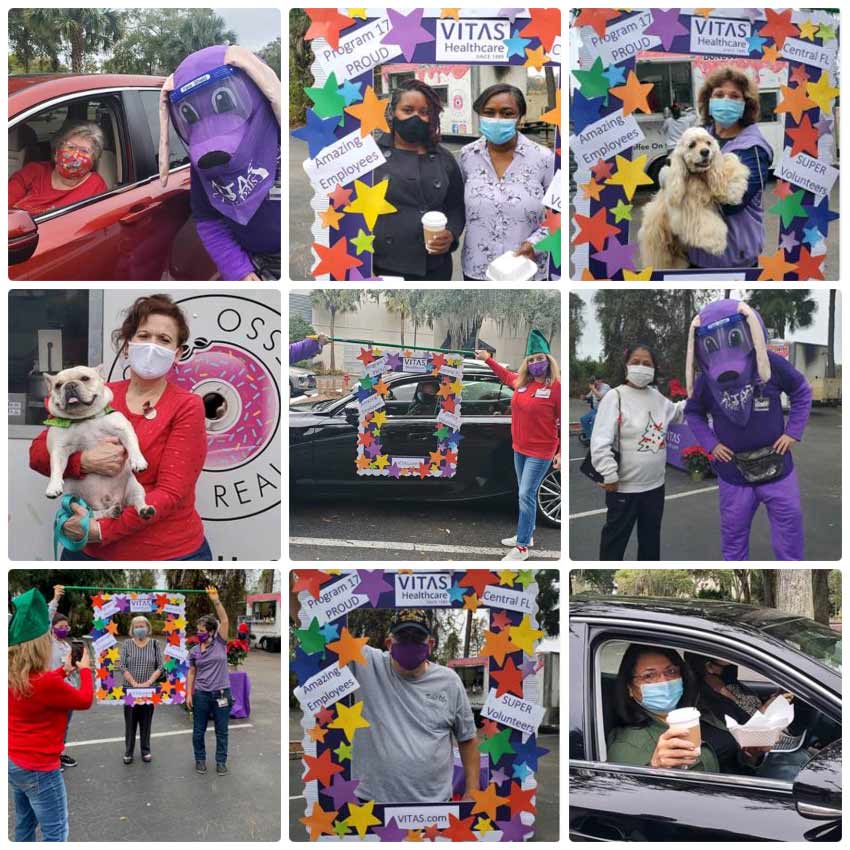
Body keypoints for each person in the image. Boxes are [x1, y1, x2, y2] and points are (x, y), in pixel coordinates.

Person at [29, 294, 211, 560]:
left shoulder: (187, 406)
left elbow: (171, 493)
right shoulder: (96, 396)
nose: (152, 346)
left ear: (178, 352)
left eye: (164, 340)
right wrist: (85, 461)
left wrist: (101, 530)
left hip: (167, 554)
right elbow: (38, 455)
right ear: (127, 346)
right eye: (144, 336)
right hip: (86, 550)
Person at [289, 592, 479, 805]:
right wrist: (291, 591)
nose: (410, 644)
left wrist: (472, 790)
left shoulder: (449, 681)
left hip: (434, 809)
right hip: (371, 808)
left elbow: (468, 738)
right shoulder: (365, 662)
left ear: (431, 644)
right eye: (403, 638)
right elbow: (313, 625)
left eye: (417, 638)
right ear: (389, 643)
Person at [684, 299, 812, 559]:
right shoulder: (706, 380)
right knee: (733, 537)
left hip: (778, 469)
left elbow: (801, 390)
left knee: (790, 535)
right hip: (734, 475)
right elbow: (693, 411)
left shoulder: (770, 363)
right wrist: (711, 445)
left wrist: (792, 432)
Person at [159, 45, 281, 280]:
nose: (211, 137)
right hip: (253, 262)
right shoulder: (203, 167)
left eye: (224, 102)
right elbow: (208, 221)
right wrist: (240, 270)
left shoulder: (283, 141)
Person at [9, 588, 94, 841]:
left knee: (24, 826)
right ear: (39, 647)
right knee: (56, 832)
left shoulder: (14, 675)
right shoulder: (45, 683)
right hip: (40, 767)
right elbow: (84, 700)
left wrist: (63, 671)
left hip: (14, 761)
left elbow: (39, 686)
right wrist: (86, 670)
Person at [607, 644, 769, 773]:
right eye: (649, 676)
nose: (664, 681)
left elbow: (730, 762)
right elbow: (631, 800)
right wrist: (656, 769)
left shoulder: (698, 713)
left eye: (671, 671)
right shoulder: (626, 745)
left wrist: (751, 757)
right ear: (629, 687)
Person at [591, 344, 685, 561]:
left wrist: (701, 398)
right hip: (623, 488)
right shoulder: (615, 397)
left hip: (655, 488)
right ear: (626, 366)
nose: (641, 367)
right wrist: (609, 474)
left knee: (650, 544)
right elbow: (600, 441)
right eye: (635, 362)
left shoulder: (657, 397)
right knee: (614, 543)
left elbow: (678, 413)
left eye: (647, 363)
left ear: (654, 369)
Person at [475, 329, 561, 562]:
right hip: (519, 448)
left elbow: (562, 421)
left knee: (526, 494)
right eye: (531, 360)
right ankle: (527, 535)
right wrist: (487, 359)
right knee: (525, 493)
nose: (535, 363)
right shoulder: (521, 383)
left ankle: (522, 547)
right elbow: (504, 375)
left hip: (541, 451)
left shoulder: (557, 388)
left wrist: (561, 452)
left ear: (548, 360)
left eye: (539, 358)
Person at [459, 84, 555, 280]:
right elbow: (455, 207)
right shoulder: (467, 156)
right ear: (479, 114)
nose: (497, 119)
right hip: (478, 271)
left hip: (527, 270)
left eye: (507, 113)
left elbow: (559, 214)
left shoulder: (544, 159)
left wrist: (536, 244)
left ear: (519, 117)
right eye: (489, 112)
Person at [372, 79, 465, 280]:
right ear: (392, 113)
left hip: (434, 267)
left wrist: (451, 234)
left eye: (423, 112)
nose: (416, 117)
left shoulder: (444, 158)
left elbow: (456, 207)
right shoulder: (371, 157)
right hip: (384, 266)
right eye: (407, 110)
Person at [689, 67, 773, 268]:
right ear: (709, 100)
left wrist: (685, 188)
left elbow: (731, 203)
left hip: (734, 259)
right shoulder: (699, 135)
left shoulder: (753, 148)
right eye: (719, 94)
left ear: (746, 104)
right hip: (694, 256)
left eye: (734, 96)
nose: (726, 100)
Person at [685, 653, 813, 781]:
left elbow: (753, 707)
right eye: (727, 659)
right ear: (708, 666)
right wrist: (769, 706)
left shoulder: (731, 684)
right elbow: (746, 732)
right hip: (761, 752)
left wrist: (776, 698)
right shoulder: (709, 700)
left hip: (775, 740)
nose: (733, 662)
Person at [9, 121, 108, 216]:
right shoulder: (34, 171)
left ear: (93, 159)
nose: (75, 156)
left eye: (84, 151)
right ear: (56, 152)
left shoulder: (96, 186)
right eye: (71, 147)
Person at [187, 586, 232, 775]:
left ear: (212, 631)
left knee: (222, 731)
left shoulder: (220, 642)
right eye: (197, 630)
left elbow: (224, 620)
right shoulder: (194, 651)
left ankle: (221, 761)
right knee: (199, 731)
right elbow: (191, 672)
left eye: (202, 630)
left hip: (222, 693)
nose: (199, 633)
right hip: (202, 695)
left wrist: (216, 600)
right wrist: (189, 693)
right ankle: (200, 759)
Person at [119, 615, 163, 764]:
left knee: (146, 722)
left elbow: (160, 666)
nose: (139, 629)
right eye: (136, 626)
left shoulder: (155, 644)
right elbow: (122, 666)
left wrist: (149, 682)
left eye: (142, 625)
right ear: (132, 629)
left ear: (147, 627)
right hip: (130, 690)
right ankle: (128, 751)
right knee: (130, 722)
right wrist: (134, 683)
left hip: (148, 690)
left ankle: (146, 750)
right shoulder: (126, 644)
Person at [46, 585, 79, 769]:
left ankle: (60, 753)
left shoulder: (66, 645)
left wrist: (77, 668)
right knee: (52, 725)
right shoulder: (48, 642)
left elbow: (69, 667)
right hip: (54, 691)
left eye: (67, 626)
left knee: (64, 725)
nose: (65, 629)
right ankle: (50, 757)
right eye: (61, 626)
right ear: (52, 628)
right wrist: (56, 598)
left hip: (68, 691)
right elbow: (47, 618)